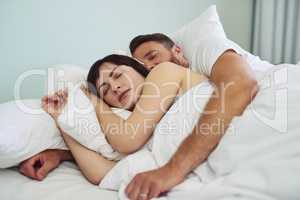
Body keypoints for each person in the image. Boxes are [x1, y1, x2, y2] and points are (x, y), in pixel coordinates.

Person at [20, 33, 258, 199]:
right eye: (104, 90)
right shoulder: (144, 123)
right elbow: (102, 174)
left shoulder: (164, 73)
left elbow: (127, 138)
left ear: (138, 68)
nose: (113, 87)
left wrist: (94, 100)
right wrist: (62, 120)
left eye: (117, 74)